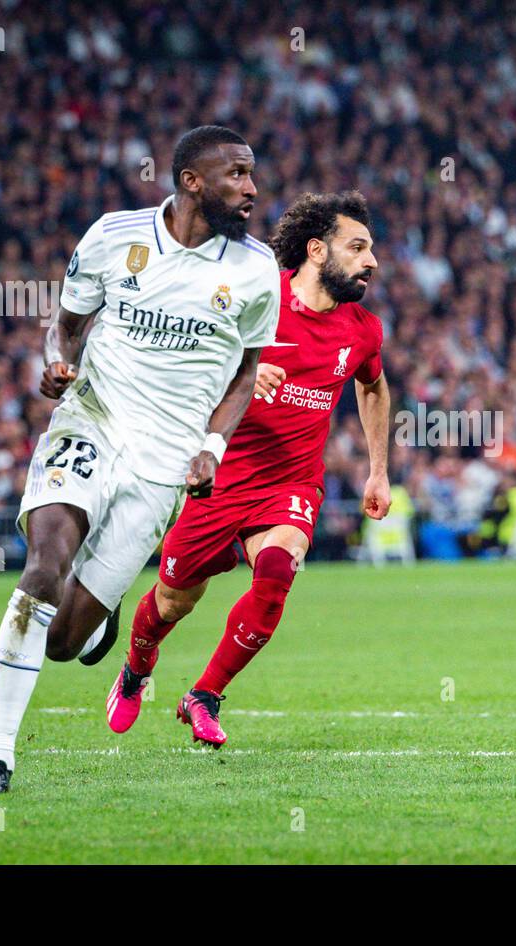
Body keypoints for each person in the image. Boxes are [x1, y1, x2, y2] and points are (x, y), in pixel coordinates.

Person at [0, 126, 281, 794]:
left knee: (63, 639)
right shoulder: (114, 235)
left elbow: (246, 375)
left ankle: (97, 619)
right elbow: (69, 322)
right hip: (93, 420)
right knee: (43, 567)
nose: (251, 188)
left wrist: (211, 447)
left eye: (252, 176)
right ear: (192, 180)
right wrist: (59, 362)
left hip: (163, 463)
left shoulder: (254, 271)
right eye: (237, 175)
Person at [106, 191, 390, 747]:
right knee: (172, 601)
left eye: (371, 249)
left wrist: (378, 470)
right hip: (219, 476)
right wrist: (236, 374)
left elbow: (373, 385)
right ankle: (137, 668)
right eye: (357, 247)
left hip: (290, 482)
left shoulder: (362, 329)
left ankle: (204, 695)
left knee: (278, 571)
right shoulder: (253, 295)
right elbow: (178, 359)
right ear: (316, 250)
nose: (371, 261)